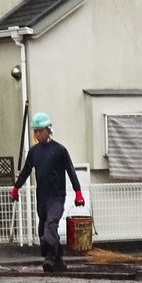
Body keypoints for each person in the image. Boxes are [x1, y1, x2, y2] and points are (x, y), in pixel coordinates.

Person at [11, 112, 84, 273]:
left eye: (40, 131)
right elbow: (25, 171)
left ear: (49, 130)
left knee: (51, 225)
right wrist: (16, 188)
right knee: (42, 229)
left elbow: (71, 171)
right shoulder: (34, 152)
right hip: (42, 196)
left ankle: (49, 258)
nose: (37, 134)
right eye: (35, 131)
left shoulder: (60, 150)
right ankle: (59, 260)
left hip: (57, 196)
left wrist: (78, 192)